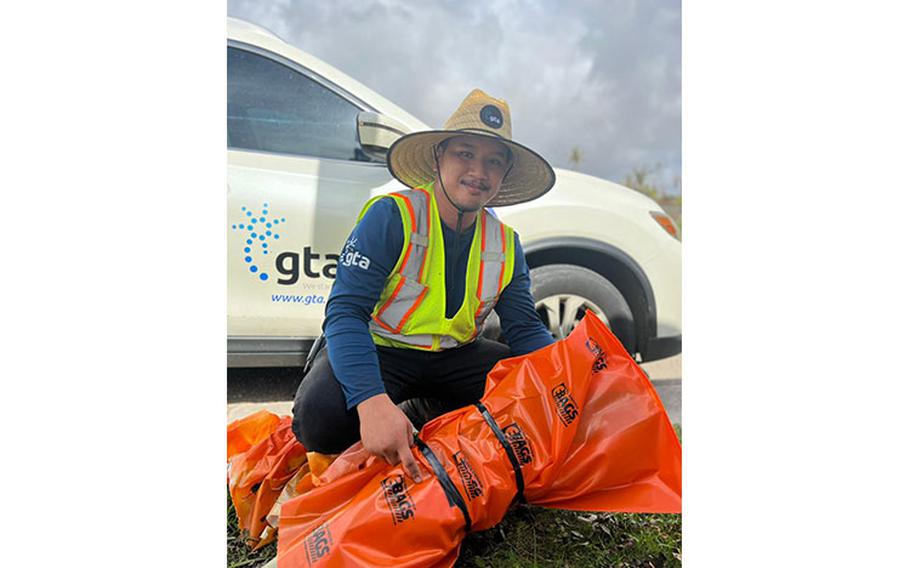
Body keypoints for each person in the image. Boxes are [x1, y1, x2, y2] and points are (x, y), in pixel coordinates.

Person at [291, 89, 557, 483]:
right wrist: (371, 402)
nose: (478, 172)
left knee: (529, 394)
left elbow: (525, 329)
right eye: (464, 153)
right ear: (439, 158)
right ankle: (391, 408)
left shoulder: (506, 243)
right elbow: (346, 314)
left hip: (453, 357)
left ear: (503, 176)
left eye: (493, 161)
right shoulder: (391, 216)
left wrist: (569, 374)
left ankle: (418, 410)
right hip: (381, 349)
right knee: (320, 420)